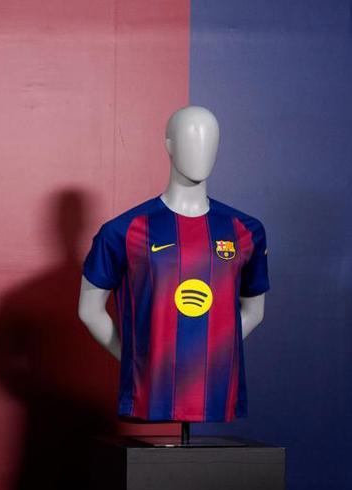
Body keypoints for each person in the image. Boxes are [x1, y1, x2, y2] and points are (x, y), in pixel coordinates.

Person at [78, 106, 268, 423]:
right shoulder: (123, 230)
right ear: (168, 145)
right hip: (151, 391)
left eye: (210, 141)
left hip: (216, 390)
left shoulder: (246, 230)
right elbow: (88, 309)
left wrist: (212, 354)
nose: (200, 151)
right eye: (190, 140)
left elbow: (254, 311)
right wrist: (136, 359)